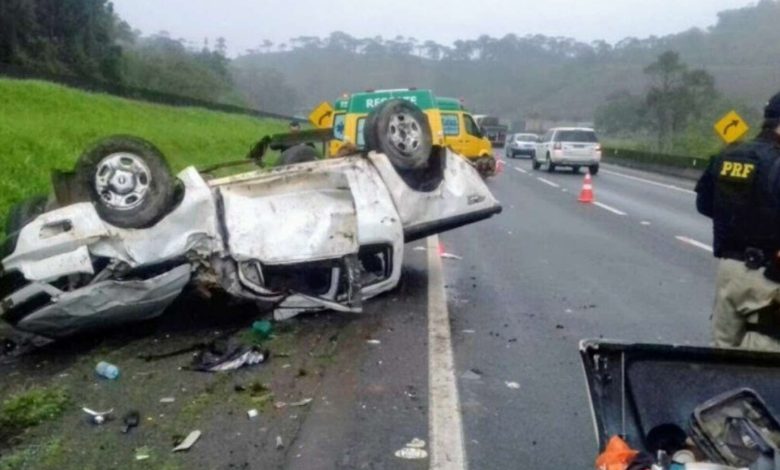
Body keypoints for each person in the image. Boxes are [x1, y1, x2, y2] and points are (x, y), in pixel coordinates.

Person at [696, 91, 780, 351]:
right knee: (762, 368)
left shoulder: (728, 155)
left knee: (722, 361)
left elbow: (705, 205)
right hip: (769, 279)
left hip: (730, 272)